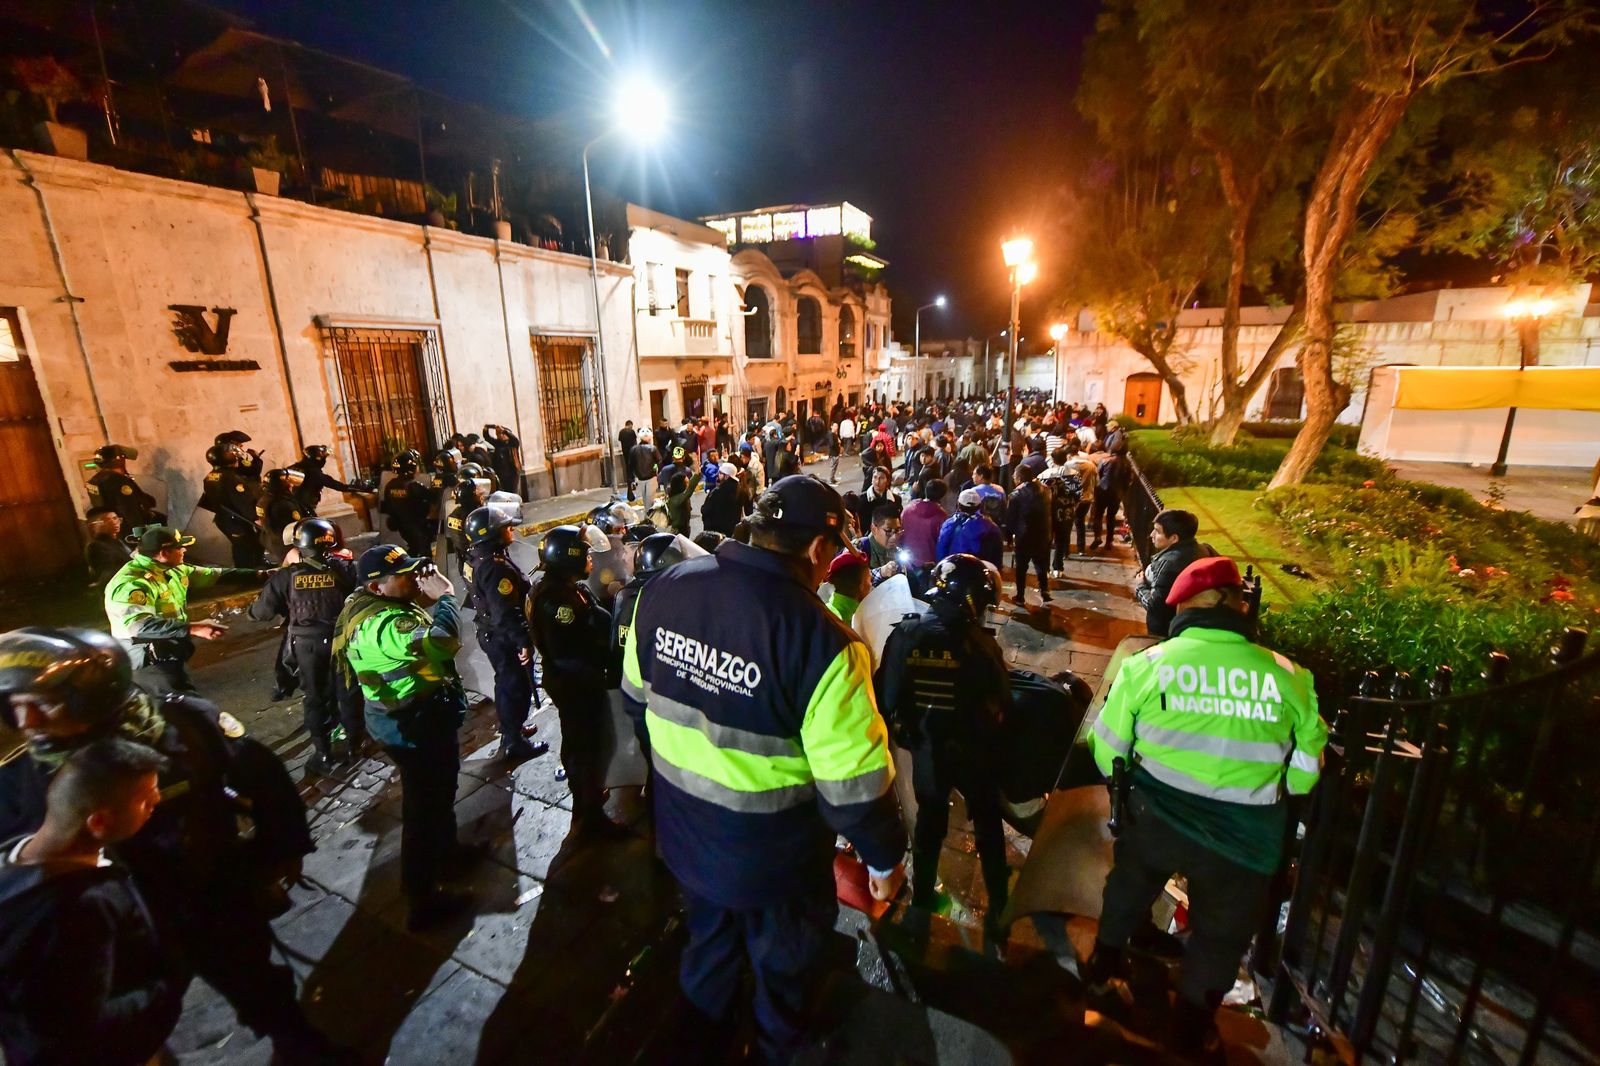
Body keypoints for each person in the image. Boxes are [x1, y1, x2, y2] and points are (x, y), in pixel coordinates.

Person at [620, 475, 906, 1062]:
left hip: (686, 841)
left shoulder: (663, 589)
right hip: (776, 868)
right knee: (785, 981)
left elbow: (633, 699)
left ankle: (701, 1042)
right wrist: (884, 860)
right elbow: (854, 788)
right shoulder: (829, 645)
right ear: (821, 552)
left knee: (708, 956)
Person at [0, 628, 341, 1064]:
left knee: (258, 983)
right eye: (16, 709)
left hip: (210, 897)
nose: (27, 723)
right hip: (122, 928)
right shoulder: (16, 782)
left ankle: (299, 1046)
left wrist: (283, 850)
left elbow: (263, 777)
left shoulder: (184, 725)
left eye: (42, 705)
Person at [1084, 556, 1327, 1058]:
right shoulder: (1288, 677)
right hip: (1244, 835)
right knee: (1220, 935)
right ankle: (1190, 1029)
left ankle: (1103, 968)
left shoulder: (1147, 665)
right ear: (1240, 606)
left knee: (1127, 890)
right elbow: (1305, 771)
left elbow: (1107, 749)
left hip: (1156, 818)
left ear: (1181, 609)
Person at [0, 739, 184, 1066]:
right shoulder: (81, 909)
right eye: (144, 800)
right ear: (98, 822)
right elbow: (78, 1026)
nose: (157, 801)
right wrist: (161, 993)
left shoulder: (13, 857)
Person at [335, 545, 471, 929]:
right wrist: (445, 596)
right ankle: (422, 898)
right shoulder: (386, 627)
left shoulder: (374, 605)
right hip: (412, 725)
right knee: (424, 810)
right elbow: (443, 640)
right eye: (405, 575)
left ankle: (449, 855)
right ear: (377, 588)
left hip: (414, 718)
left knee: (439, 793)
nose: (414, 578)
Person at [876, 554, 1012, 928]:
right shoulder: (982, 645)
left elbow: (886, 697)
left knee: (929, 826)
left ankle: (921, 898)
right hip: (973, 752)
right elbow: (1003, 700)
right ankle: (1000, 902)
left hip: (927, 751)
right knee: (987, 822)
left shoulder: (905, 634)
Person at [527, 526, 631, 839]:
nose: (590, 558)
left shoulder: (565, 588)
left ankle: (587, 799)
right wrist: (602, 669)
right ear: (568, 557)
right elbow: (574, 648)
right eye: (584, 553)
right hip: (575, 684)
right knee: (584, 747)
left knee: (582, 744)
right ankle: (589, 817)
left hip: (572, 679)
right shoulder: (558, 601)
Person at [249, 519, 365, 775]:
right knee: (348, 693)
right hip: (343, 642)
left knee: (315, 698)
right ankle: (353, 746)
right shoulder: (348, 569)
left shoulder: (286, 576)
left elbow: (261, 612)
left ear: (300, 545)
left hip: (307, 646)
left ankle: (323, 754)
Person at [104, 526, 260, 696]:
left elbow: (215, 575)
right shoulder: (133, 583)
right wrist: (194, 628)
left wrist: (263, 575)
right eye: (179, 547)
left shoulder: (171, 569)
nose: (184, 550)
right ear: (164, 553)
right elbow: (139, 626)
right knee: (183, 706)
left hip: (165, 649)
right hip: (147, 659)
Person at [465, 507, 549, 762]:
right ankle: (514, 741)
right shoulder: (495, 567)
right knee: (515, 686)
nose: (511, 530)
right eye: (505, 527)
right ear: (492, 534)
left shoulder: (477, 557)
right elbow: (505, 611)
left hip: (490, 632)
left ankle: (511, 727)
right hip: (502, 636)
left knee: (506, 682)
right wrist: (523, 641)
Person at [1133, 509, 1210, 638]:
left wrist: (1140, 586)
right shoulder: (1205, 550)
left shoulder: (1169, 564)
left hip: (1166, 632)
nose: (1151, 535)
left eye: (1157, 531)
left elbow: (1155, 607)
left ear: (1174, 538)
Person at [198, 441, 267, 568]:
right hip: (235, 520)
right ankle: (246, 574)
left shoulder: (211, 475)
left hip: (225, 518)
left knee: (243, 545)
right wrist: (256, 518)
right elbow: (242, 501)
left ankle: (250, 569)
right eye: (234, 456)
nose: (237, 458)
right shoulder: (231, 478)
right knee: (244, 547)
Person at [1006, 464, 1053, 605]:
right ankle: (1044, 590)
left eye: (1014, 476)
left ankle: (1020, 596)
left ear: (1019, 478)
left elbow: (1011, 518)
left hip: (1024, 535)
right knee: (1041, 563)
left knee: (1021, 567)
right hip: (1043, 534)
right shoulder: (1046, 490)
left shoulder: (1016, 494)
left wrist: (1009, 537)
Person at [86, 444, 163, 530]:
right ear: (119, 461)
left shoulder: (96, 480)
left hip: (110, 526)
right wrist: (139, 532)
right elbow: (129, 509)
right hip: (126, 528)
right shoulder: (118, 481)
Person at [380, 452, 436, 558]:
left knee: (413, 548)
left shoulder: (390, 485)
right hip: (418, 526)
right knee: (424, 554)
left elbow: (386, 507)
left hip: (402, 527)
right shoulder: (414, 486)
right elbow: (434, 497)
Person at [289, 444, 368, 516]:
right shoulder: (315, 474)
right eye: (323, 458)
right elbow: (338, 486)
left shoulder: (293, 468)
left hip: (290, 508)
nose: (324, 461)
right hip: (304, 510)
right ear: (317, 459)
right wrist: (361, 487)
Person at [936, 488, 1005, 570]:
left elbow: (941, 548)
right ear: (979, 506)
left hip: (954, 569)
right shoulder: (991, 526)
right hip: (981, 571)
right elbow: (997, 555)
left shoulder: (950, 524)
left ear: (958, 504)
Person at [257, 468, 305, 563]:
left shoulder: (264, 500)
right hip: (287, 547)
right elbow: (296, 527)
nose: (291, 485)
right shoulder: (284, 504)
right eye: (288, 482)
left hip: (273, 542)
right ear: (281, 485)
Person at [899, 478, 949, 567]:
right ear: (942, 496)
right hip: (930, 562)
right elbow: (943, 542)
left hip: (908, 561)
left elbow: (900, 531)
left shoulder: (909, 508)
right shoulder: (941, 516)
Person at [855, 504, 905, 587]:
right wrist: (881, 572)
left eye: (897, 530)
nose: (894, 537)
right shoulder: (858, 548)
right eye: (888, 531)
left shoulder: (898, 552)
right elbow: (852, 583)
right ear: (874, 529)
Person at [1091, 445, 1128, 552]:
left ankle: (1097, 537)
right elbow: (1127, 480)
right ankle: (1109, 541)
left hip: (1102, 490)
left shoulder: (1105, 460)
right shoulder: (1126, 464)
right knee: (1111, 517)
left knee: (1098, 515)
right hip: (1116, 493)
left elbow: (1099, 474)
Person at [84, 506, 132, 586]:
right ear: (92, 526)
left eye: (115, 518)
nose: (114, 522)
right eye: (106, 520)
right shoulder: (95, 546)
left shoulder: (117, 541)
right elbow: (110, 572)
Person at [824, 549, 871, 627]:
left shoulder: (825, 612)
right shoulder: (847, 624)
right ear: (861, 586)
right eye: (870, 581)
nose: (871, 586)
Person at [700, 462, 744, 537]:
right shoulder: (740, 489)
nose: (718, 475)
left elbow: (706, 509)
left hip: (715, 530)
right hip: (731, 530)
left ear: (726, 476)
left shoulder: (718, 491)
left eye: (720, 473)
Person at [483, 424, 523, 495]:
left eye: (501, 434)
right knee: (505, 492)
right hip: (502, 472)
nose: (500, 436)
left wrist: (503, 430)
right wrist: (486, 428)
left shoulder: (513, 443)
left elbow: (514, 438)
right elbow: (487, 438)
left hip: (513, 472)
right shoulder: (498, 443)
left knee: (513, 491)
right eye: (498, 434)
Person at [663, 468, 702, 537]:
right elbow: (689, 490)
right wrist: (696, 475)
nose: (688, 484)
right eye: (686, 482)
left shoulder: (675, 494)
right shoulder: (676, 499)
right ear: (680, 484)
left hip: (683, 528)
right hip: (679, 531)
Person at [629, 431, 660, 504]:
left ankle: (647, 514)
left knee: (645, 499)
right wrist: (655, 469)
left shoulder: (633, 449)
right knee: (650, 500)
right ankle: (649, 515)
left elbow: (630, 465)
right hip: (651, 477)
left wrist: (632, 478)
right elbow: (659, 461)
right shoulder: (653, 448)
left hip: (640, 478)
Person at [619, 420, 639, 499]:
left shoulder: (621, 432)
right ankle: (633, 480)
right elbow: (635, 441)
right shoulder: (631, 431)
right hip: (632, 451)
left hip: (625, 452)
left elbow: (620, 441)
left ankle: (629, 480)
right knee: (633, 466)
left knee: (627, 467)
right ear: (630, 425)